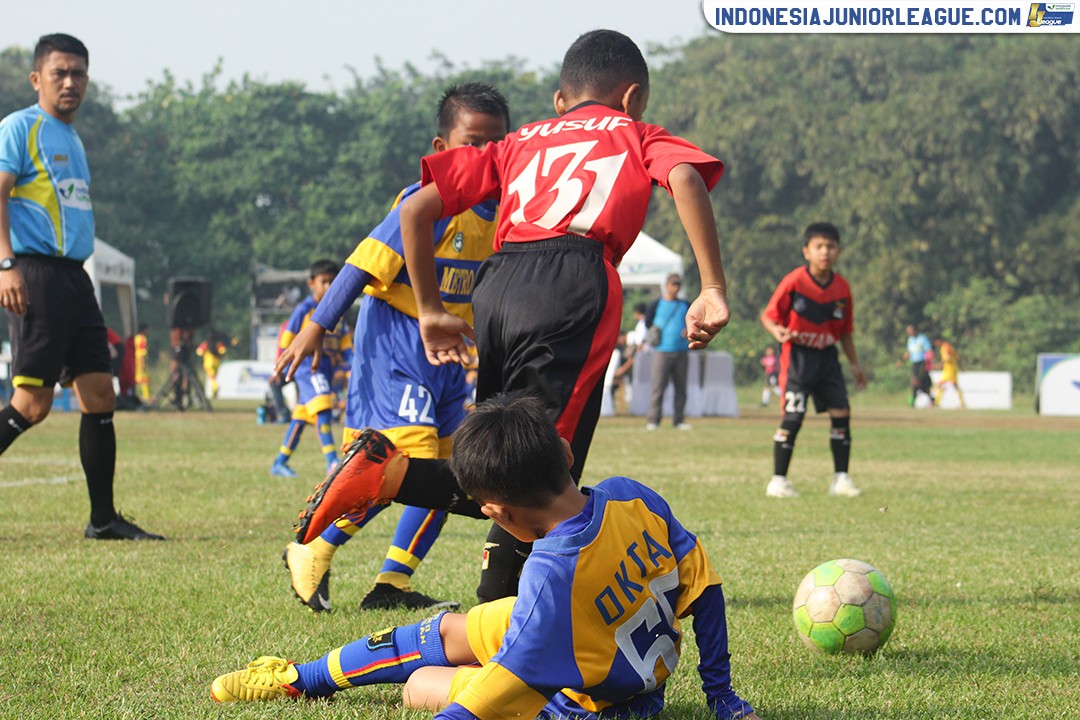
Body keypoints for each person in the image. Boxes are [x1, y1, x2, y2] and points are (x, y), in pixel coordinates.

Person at [360, 29, 731, 603]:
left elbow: (416, 206)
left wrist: (431, 309)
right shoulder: (634, 132)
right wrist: (711, 287)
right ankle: (389, 476)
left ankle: (499, 600)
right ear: (632, 98)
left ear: (560, 100)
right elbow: (683, 176)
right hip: (575, 281)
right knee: (543, 463)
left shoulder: (521, 141)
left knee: (499, 446)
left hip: (501, 280)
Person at [210, 392, 759, 720]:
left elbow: (500, 690)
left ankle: (314, 679)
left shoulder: (550, 574)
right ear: (565, 452)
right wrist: (722, 694)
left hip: (593, 707)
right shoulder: (630, 494)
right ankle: (297, 679)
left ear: (495, 511)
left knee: (420, 685)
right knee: (447, 629)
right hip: (606, 651)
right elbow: (705, 589)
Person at [275, 83, 510, 612]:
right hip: (397, 344)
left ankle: (391, 585)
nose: (484, 157)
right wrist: (317, 325)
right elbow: (362, 263)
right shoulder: (422, 201)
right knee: (409, 461)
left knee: (457, 470)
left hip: (452, 357)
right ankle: (312, 546)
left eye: (496, 145)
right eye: (471, 144)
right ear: (440, 148)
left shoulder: (506, 214)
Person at [0, 34, 162, 540]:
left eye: (79, 74)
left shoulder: (71, 137)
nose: (70, 82)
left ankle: (103, 520)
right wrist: (5, 265)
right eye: (59, 73)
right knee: (32, 404)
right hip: (36, 274)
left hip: (75, 277)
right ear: (37, 79)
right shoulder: (19, 128)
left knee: (99, 394)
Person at [760, 222, 868, 499]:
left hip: (828, 360)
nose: (825, 252)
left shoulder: (842, 288)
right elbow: (768, 316)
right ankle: (778, 480)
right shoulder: (795, 281)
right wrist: (777, 331)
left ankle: (841, 479)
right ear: (806, 251)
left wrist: (855, 366)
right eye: (819, 246)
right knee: (793, 417)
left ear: (838, 251)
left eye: (830, 246)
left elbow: (845, 332)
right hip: (798, 358)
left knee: (841, 414)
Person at [270, 259, 352, 478]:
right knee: (324, 405)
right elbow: (287, 340)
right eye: (323, 281)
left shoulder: (339, 313)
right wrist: (279, 367)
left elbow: (346, 345)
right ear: (311, 284)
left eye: (332, 282)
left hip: (326, 367)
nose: (327, 286)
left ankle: (280, 462)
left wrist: (351, 365)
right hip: (308, 367)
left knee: (301, 417)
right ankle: (332, 462)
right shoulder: (304, 309)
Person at [645, 273, 692, 430]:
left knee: (681, 388)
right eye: (673, 284)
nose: (675, 287)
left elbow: (693, 321)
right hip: (662, 351)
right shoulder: (657, 303)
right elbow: (648, 322)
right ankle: (653, 420)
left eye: (678, 284)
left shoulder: (685, 304)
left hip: (681, 350)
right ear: (666, 285)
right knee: (658, 387)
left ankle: (679, 420)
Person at [903, 324, 933, 407]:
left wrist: (931, 361)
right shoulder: (910, 340)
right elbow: (909, 352)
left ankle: (913, 399)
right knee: (922, 383)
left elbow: (928, 350)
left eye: (910, 330)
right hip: (914, 363)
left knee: (915, 381)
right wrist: (902, 360)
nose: (908, 332)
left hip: (922, 362)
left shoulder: (922, 339)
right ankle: (930, 400)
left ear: (914, 330)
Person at [934, 337, 965, 408]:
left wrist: (940, 364)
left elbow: (947, 357)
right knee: (954, 386)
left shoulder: (945, 346)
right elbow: (955, 355)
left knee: (941, 384)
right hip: (949, 369)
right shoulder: (946, 346)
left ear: (938, 341)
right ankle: (962, 402)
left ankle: (936, 402)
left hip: (950, 369)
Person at [133, 323, 151, 401]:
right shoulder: (143, 339)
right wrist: (143, 363)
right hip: (140, 360)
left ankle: (134, 394)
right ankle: (146, 396)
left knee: (136, 378)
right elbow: (142, 352)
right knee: (144, 379)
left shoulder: (136, 338)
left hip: (135, 360)